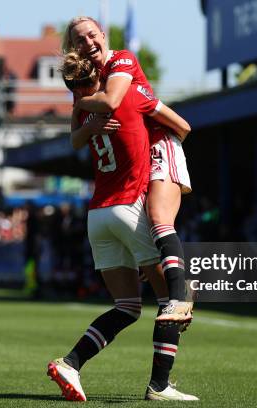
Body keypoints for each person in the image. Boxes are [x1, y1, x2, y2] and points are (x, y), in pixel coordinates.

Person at [46, 52, 197, 402]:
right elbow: (184, 127)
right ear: (102, 76)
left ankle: (70, 363)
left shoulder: (82, 112)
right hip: (127, 208)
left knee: (127, 305)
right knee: (174, 299)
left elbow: (76, 140)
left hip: (97, 216)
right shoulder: (129, 95)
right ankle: (159, 385)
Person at [63, 16, 193, 323]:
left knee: (160, 219)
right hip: (137, 161)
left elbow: (112, 101)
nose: (87, 43)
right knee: (147, 229)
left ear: (103, 35)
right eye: (79, 40)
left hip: (160, 146)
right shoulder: (87, 81)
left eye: (91, 35)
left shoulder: (121, 61)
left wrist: (82, 106)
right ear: (73, 47)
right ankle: (175, 296)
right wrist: (83, 110)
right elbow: (76, 139)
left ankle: (179, 295)